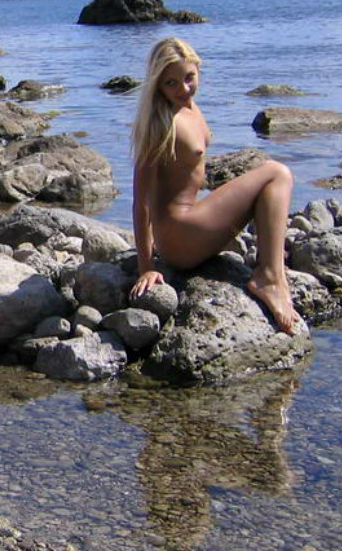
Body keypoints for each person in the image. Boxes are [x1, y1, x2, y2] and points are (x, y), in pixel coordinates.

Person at [129, 37, 302, 333]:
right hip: (179, 237)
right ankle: (270, 278)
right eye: (171, 83)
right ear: (157, 84)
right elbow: (141, 202)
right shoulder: (159, 124)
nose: (183, 89)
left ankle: (273, 270)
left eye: (189, 77)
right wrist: (146, 268)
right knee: (277, 173)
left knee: (269, 180)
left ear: (198, 69)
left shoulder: (189, 107)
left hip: (189, 223)